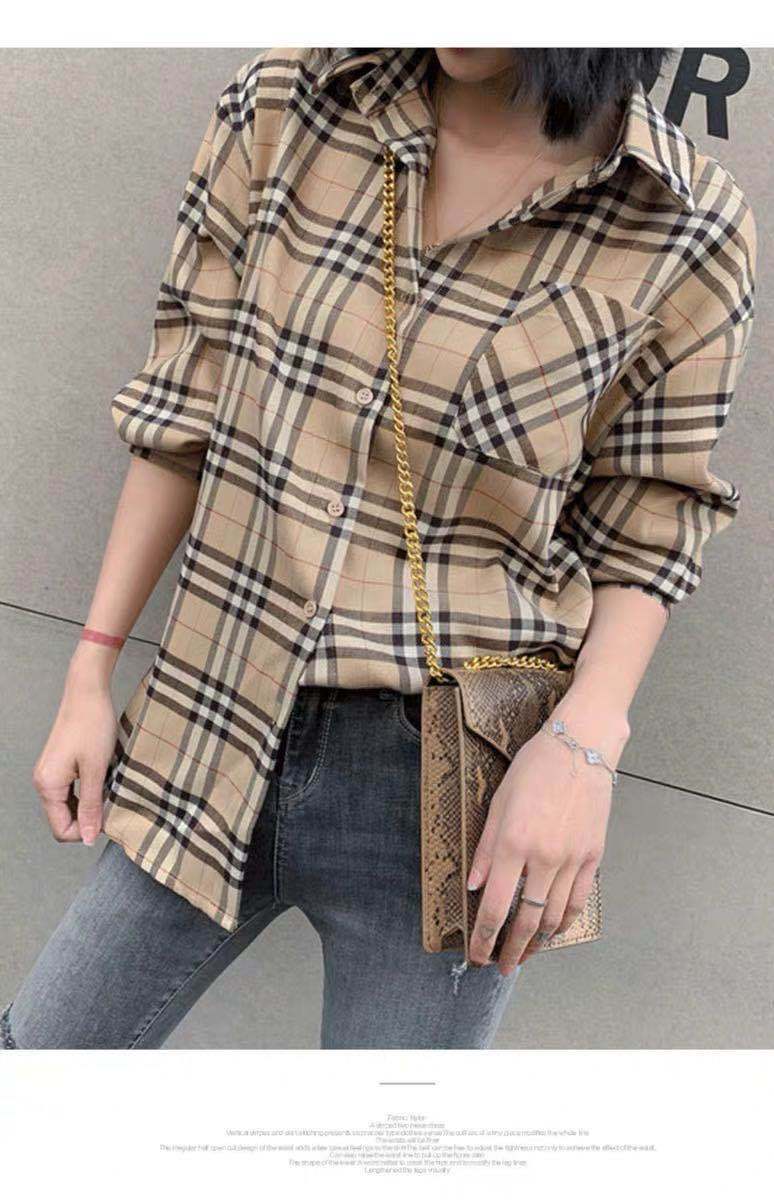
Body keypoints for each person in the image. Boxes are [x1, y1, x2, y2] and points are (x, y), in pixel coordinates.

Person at [1, 47, 756, 1050]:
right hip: (213, 713)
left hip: (452, 787)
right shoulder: (289, 106)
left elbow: (649, 521)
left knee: (394, 1133)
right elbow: (184, 409)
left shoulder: (683, 221)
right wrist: (90, 673)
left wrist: (585, 748)